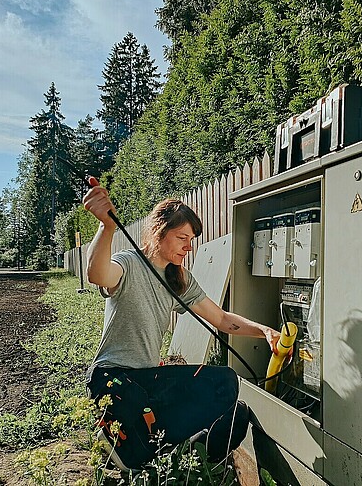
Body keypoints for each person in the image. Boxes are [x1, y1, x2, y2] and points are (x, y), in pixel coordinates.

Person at [82, 176, 281, 471]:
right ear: (159, 232)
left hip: (149, 379)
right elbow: (97, 274)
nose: (188, 247)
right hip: (112, 378)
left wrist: (264, 330)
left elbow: (222, 319)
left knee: (227, 390)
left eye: (191, 240)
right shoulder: (129, 263)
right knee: (137, 401)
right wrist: (107, 227)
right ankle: (137, 448)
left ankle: (151, 447)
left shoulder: (180, 279)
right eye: (182, 238)